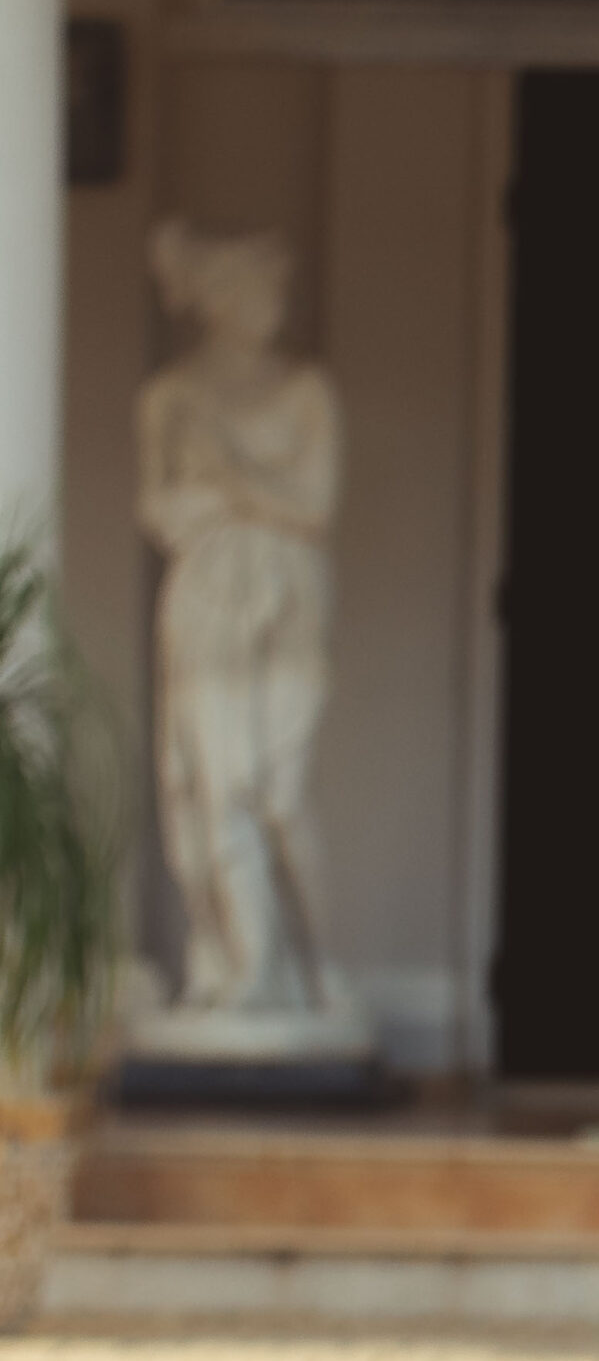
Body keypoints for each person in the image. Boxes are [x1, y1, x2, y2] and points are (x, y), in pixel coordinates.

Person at [137, 219, 354, 1045]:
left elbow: (314, 511)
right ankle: (244, 972)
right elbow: (159, 510)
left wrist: (228, 481)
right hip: (205, 599)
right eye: (259, 288)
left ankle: (317, 967)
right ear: (219, 300)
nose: (275, 304)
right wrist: (228, 504)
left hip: (290, 596)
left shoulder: (306, 392)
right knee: (214, 789)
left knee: (282, 795)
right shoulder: (169, 397)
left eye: (278, 290)